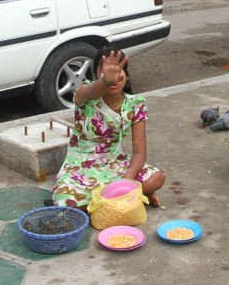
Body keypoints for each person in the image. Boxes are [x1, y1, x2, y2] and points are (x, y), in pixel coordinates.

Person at [52, 48, 166, 209]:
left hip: (115, 163)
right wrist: (105, 81)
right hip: (82, 166)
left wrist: (127, 179)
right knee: (65, 202)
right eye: (105, 73)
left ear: (127, 75)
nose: (114, 78)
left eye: (119, 72)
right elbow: (92, 91)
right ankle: (128, 198)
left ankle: (107, 201)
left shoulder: (136, 103)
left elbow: (140, 152)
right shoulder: (84, 94)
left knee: (157, 178)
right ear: (95, 77)